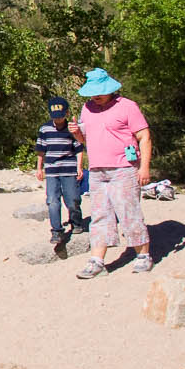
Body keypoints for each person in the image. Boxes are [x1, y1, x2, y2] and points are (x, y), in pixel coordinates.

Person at [73, 69, 155, 279]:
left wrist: (144, 167)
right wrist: (77, 134)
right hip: (97, 170)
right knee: (100, 214)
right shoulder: (87, 108)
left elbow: (144, 136)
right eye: (93, 92)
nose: (96, 96)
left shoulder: (127, 106)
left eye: (100, 91)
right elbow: (86, 140)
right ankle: (97, 260)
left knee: (129, 211)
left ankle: (143, 255)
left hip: (124, 168)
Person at [35, 95, 89, 255]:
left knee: (72, 199)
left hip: (69, 168)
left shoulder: (72, 129)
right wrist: (39, 168)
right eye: (54, 117)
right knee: (52, 200)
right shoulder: (44, 129)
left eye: (60, 116)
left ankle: (76, 221)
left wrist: (80, 167)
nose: (57, 120)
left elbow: (79, 149)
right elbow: (40, 150)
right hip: (51, 170)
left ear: (66, 114)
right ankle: (56, 230)